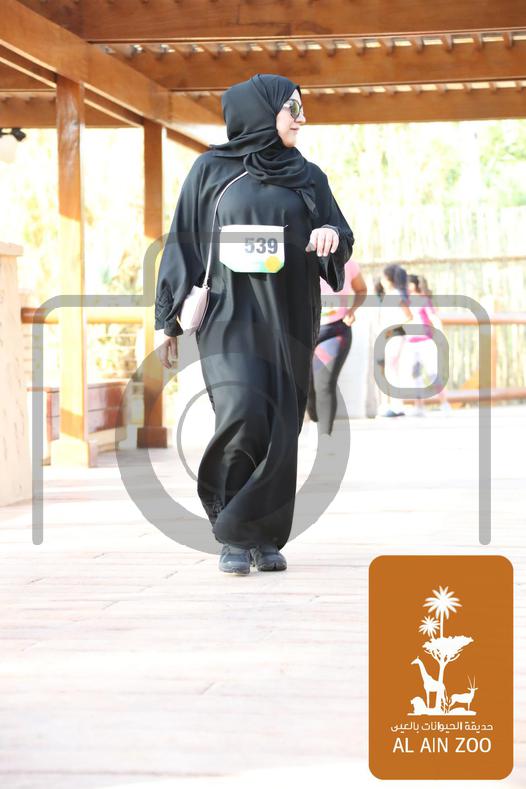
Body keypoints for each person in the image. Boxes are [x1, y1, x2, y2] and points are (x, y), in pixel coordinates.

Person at [154, 74, 355, 575]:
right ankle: (232, 530)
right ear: (262, 111)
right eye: (293, 109)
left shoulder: (308, 175)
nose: (301, 119)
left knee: (282, 423)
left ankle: (263, 537)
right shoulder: (210, 170)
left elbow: (339, 230)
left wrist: (329, 235)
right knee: (242, 412)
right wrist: (167, 321)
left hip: (289, 315)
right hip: (228, 316)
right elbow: (183, 241)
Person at [306, 258, 367, 438]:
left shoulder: (347, 262)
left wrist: (352, 310)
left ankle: (324, 436)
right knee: (306, 386)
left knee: (324, 384)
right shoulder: (302, 258)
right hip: (305, 332)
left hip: (335, 331)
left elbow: (361, 290)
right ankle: (315, 421)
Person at [406, 274, 451, 415]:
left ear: (414, 285)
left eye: (408, 283)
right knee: (415, 374)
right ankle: (419, 406)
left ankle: (444, 404)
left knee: (433, 373)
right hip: (411, 343)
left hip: (425, 342)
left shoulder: (423, 300)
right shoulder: (406, 302)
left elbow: (434, 318)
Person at [376, 264, 413, 417]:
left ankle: (394, 405)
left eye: (383, 278)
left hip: (394, 335)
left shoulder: (395, 295)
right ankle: (394, 404)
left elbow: (408, 316)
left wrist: (392, 327)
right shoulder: (390, 295)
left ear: (389, 279)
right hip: (389, 335)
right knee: (392, 370)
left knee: (391, 370)